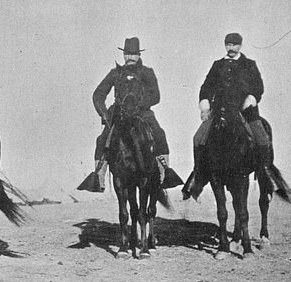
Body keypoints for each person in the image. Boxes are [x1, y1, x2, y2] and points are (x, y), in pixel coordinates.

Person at [182, 32, 274, 200]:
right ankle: (197, 176)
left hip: (246, 112)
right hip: (220, 112)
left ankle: (266, 175)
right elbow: (206, 87)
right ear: (225, 45)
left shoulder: (249, 64)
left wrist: (250, 99)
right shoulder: (217, 65)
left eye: (235, 45)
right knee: (198, 138)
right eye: (228, 44)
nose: (231, 48)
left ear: (240, 46)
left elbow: (258, 86)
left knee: (262, 139)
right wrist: (205, 105)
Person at [83, 37, 179, 192]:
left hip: (142, 113)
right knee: (102, 140)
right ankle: (98, 178)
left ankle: (165, 173)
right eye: (127, 54)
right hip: (119, 114)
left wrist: (139, 104)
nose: (130, 58)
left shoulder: (147, 72)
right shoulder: (115, 73)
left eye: (134, 54)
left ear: (139, 55)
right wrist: (105, 114)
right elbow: (98, 95)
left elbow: (156, 96)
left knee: (159, 134)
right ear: (123, 55)